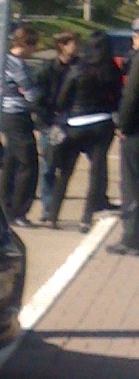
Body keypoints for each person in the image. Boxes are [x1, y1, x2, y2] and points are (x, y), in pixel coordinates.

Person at [43, 28, 122, 231]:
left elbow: (61, 100)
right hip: (102, 123)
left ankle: (53, 216)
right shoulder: (111, 69)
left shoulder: (77, 69)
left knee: (66, 171)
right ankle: (86, 218)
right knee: (96, 172)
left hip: (75, 123)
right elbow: (118, 98)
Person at [34, 32, 79, 221]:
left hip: (72, 122)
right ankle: (48, 207)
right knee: (49, 166)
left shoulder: (80, 67)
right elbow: (38, 98)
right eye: (74, 43)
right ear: (62, 45)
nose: (77, 47)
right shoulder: (47, 69)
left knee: (66, 167)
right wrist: (48, 120)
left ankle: (54, 208)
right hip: (51, 123)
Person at [0, 25, 40, 223]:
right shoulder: (18, 66)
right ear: (26, 45)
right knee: (28, 163)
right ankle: (19, 210)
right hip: (17, 115)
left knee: (11, 161)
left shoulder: (4, 61)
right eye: (34, 46)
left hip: (6, 115)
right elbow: (31, 94)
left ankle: (4, 206)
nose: (35, 50)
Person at [110, 16, 139, 256]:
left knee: (131, 184)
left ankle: (131, 239)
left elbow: (131, 97)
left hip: (136, 132)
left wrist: (123, 125)